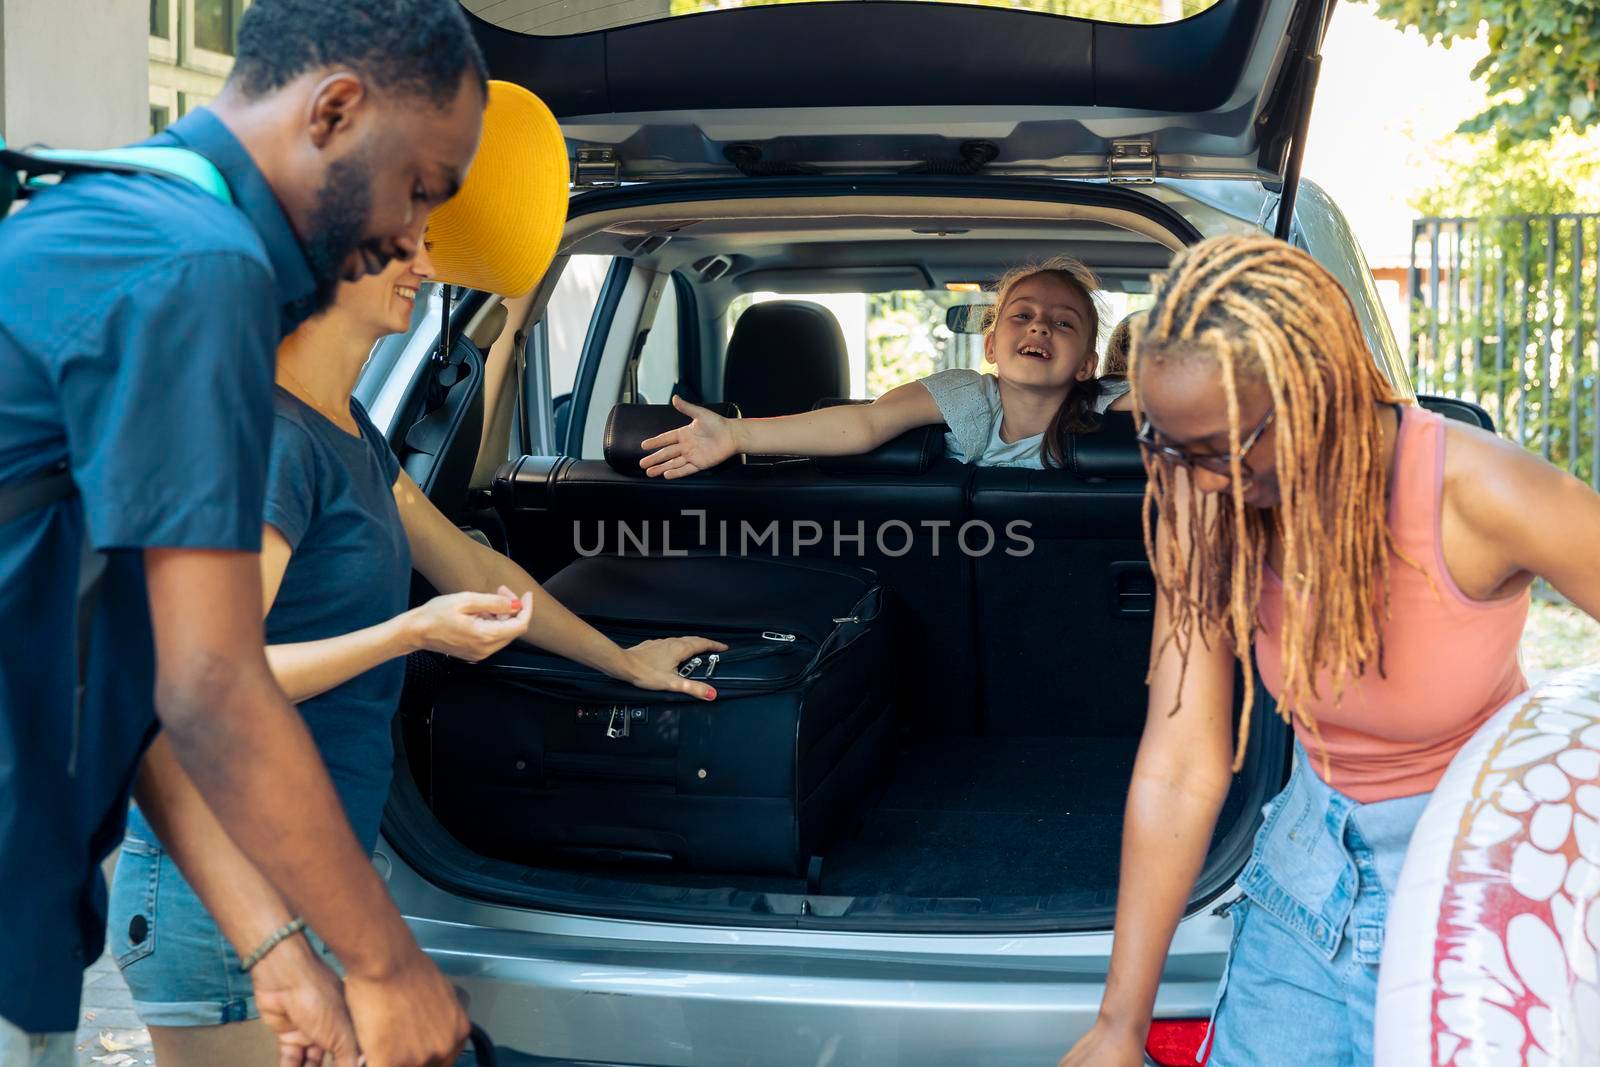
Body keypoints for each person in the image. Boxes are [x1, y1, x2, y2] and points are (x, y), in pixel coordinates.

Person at [0, 1, 491, 1064]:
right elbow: (214, 683)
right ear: (336, 110)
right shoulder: (200, 270)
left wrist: (280, 951)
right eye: (419, 189)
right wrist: (385, 963)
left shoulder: (127, 215)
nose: (414, 241)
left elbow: (144, 676)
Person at [107, 240, 726, 1066]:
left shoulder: (348, 425)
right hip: (227, 900)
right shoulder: (269, 440)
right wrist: (410, 632)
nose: (427, 267)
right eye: (398, 243)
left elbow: (473, 566)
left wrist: (621, 660)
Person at [1056, 235, 1600, 1066]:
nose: (1195, 482)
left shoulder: (1481, 493)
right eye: (1168, 446)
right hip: (1303, 886)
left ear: (1315, 393)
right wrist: (1120, 1021)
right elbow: (1180, 761)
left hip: (1472, 890)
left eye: (1219, 449)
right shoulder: (1205, 498)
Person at [638, 257, 1132, 476]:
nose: (1039, 327)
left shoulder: (1108, 404)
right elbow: (867, 421)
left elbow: (1196, 403)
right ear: (990, 348)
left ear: (1088, 365)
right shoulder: (966, 395)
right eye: (1021, 315)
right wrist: (737, 435)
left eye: (1063, 324)